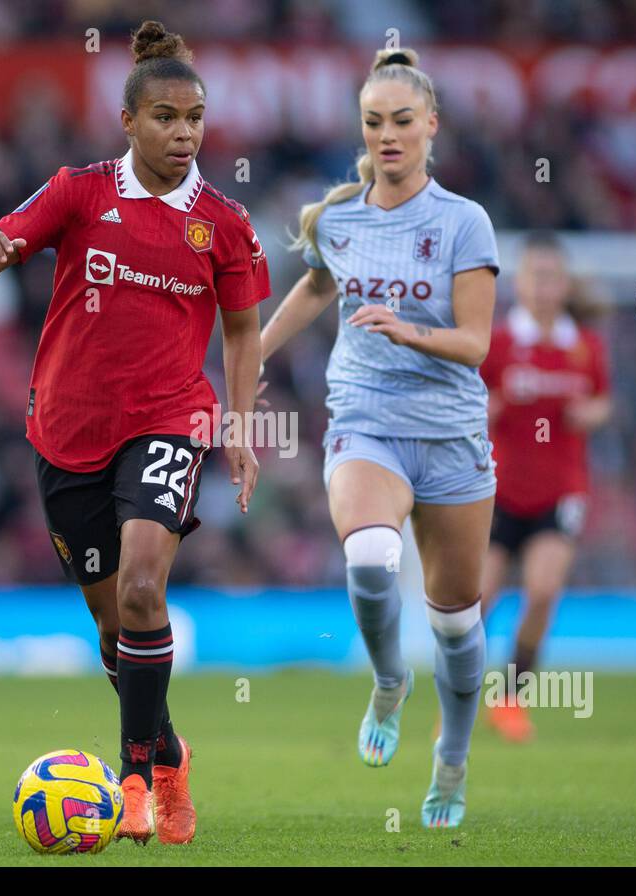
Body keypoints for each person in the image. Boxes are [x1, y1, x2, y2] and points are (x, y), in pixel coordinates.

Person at [0, 20, 269, 845]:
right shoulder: (79, 191)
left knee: (143, 590)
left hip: (170, 418)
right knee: (113, 629)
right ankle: (168, 752)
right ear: (128, 121)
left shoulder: (226, 225)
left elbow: (242, 333)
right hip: (65, 431)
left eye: (195, 118)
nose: (184, 133)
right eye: (166, 117)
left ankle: (134, 781)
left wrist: (236, 427)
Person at [260, 48, 498, 828]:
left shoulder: (464, 221)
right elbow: (316, 284)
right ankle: (390, 680)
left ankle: (452, 762)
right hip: (367, 417)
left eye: (402, 121)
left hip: (452, 434)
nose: (387, 135)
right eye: (373, 123)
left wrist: (408, 331)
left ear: (431, 124)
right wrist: (248, 355)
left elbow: (475, 344)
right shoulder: (340, 219)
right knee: (368, 553)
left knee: (457, 620)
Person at [479, 232, 612, 742]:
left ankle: (511, 697)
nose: (543, 285)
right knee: (476, 601)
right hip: (497, 489)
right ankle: (460, 699)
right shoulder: (498, 342)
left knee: (542, 591)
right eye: (535, 274)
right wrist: (485, 408)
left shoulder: (584, 347)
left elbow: (603, 401)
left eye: (553, 275)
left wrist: (591, 414)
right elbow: (473, 397)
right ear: (520, 281)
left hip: (560, 489)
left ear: (564, 284)